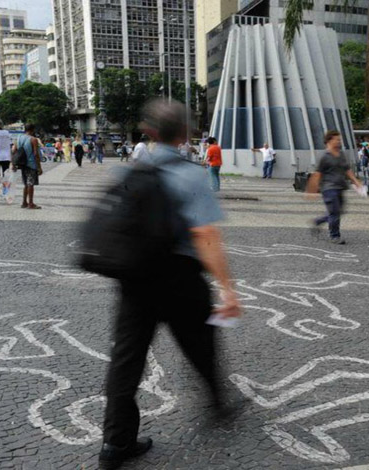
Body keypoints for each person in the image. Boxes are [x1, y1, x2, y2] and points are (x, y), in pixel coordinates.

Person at [98, 100, 242, 469]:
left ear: (150, 133)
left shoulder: (129, 171)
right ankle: (219, 402)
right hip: (179, 277)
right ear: (185, 135)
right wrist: (227, 288)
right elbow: (206, 236)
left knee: (126, 360)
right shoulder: (190, 174)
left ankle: (116, 443)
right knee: (201, 343)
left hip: (134, 278)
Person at [307, 130, 363, 245]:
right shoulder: (324, 157)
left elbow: (347, 169)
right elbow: (317, 174)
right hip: (328, 188)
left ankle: (318, 221)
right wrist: (311, 190)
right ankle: (334, 235)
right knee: (334, 213)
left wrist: (356, 182)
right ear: (329, 141)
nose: (339, 142)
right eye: (337, 140)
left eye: (340, 140)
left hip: (340, 187)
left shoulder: (341, 154)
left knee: (339, 211)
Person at [13, 123, 42, 209]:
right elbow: (36, 154)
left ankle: (24, 202)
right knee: (30, 184)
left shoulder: (18, 138)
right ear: (32, 130)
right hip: (31, 164)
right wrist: (39, 167)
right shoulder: (33, 139)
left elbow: (14, 151)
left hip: (22, 164)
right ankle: (31, 203)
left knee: (26, 184)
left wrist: (13, 163)